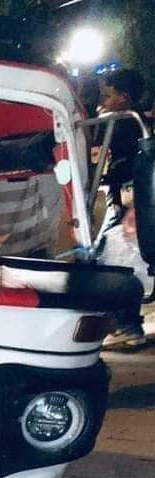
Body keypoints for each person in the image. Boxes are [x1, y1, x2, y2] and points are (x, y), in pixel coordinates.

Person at [97, 69, 149, 349]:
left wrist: (105, 180)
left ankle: (126, 325)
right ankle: (124, 323)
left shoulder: (125, 124)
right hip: (130, 199)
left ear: (124, 97)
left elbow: (125, 167)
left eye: (108, 95)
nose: (104, 101)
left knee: (116, 262)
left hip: (126, 199)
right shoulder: (139, 122)